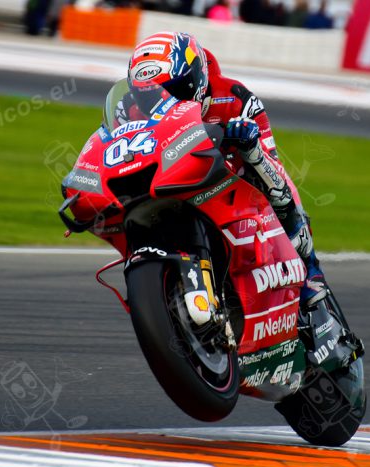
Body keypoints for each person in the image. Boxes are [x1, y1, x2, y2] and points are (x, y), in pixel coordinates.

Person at [121, 32, 327, 307]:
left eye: (174, 89)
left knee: (279, 185)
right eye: (148, 96)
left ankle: (310, 270)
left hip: (233, 177)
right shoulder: (128, 110)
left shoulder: (235, 98)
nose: (164, 101)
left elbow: (272, 162)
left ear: (196, 78)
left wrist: (249, 146)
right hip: (169, 178)